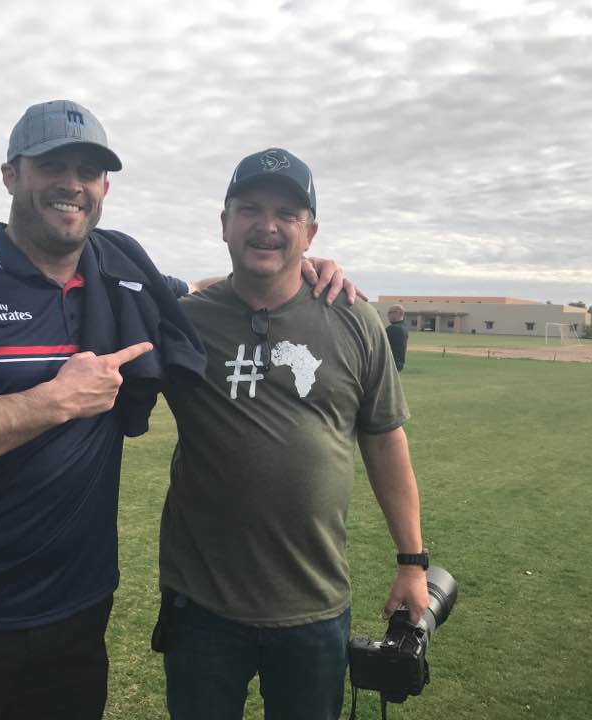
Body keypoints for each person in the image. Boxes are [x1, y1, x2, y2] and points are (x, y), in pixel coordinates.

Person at [0, 101, 353, 720]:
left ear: (105, 187)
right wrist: (50, 402)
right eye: (51, 165)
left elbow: (204, 291)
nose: (72, 184)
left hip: (72, 621)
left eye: (88, 170)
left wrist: (307, 268)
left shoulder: (124, 278)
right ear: (11, 175)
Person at [157, 148, 430, 720]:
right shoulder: (184, 320)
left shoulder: (355, 319)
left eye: (287, 213)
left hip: (314, 604)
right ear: (224, 223)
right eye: (250, 209)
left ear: (311, 232)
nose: (268, 225)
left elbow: (384, 441)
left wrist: (412, 562)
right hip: (203, 604)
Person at [385, 304, 409, 371]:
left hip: (390, 364)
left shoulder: (393, 328)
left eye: (390, 313)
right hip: (399, 363)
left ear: (397, 313)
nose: (387, 315)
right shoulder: (404, 327)